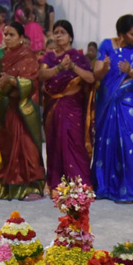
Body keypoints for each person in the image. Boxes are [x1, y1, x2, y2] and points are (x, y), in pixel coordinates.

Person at [92, 14, 133, 202]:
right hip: (108, 102)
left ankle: (128, 191)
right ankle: (104, 187)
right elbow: (96, 74)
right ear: (122, 34)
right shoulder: (106, 45)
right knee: (106, 142)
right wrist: (105, 69)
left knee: (129, 144)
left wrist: (130, 71)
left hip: (130, 103)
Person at [0, 21, 46, 199]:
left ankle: (32, 186)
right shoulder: (2, 56)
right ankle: (10, 186)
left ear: (21, 38)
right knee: (8, 146)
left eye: (11, 34)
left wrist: (12, 81)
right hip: (8, 108)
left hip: (25, 109)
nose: (7, 38)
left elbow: (32, 83)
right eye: (5, 34)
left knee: (27, 147)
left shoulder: (28, 56)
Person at [40, 20, 93, 188]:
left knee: (75, 143)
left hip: (73, 107)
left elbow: (90, 78)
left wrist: (73, 66)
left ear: (70, 36)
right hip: (54, 107)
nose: (58, 35)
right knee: (55, 143)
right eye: (56, 32)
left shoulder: (78, 57)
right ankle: (58, 185)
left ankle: (80, 184)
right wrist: (59, 68)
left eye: (62, 32)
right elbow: (41, 75)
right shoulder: (49, 56)